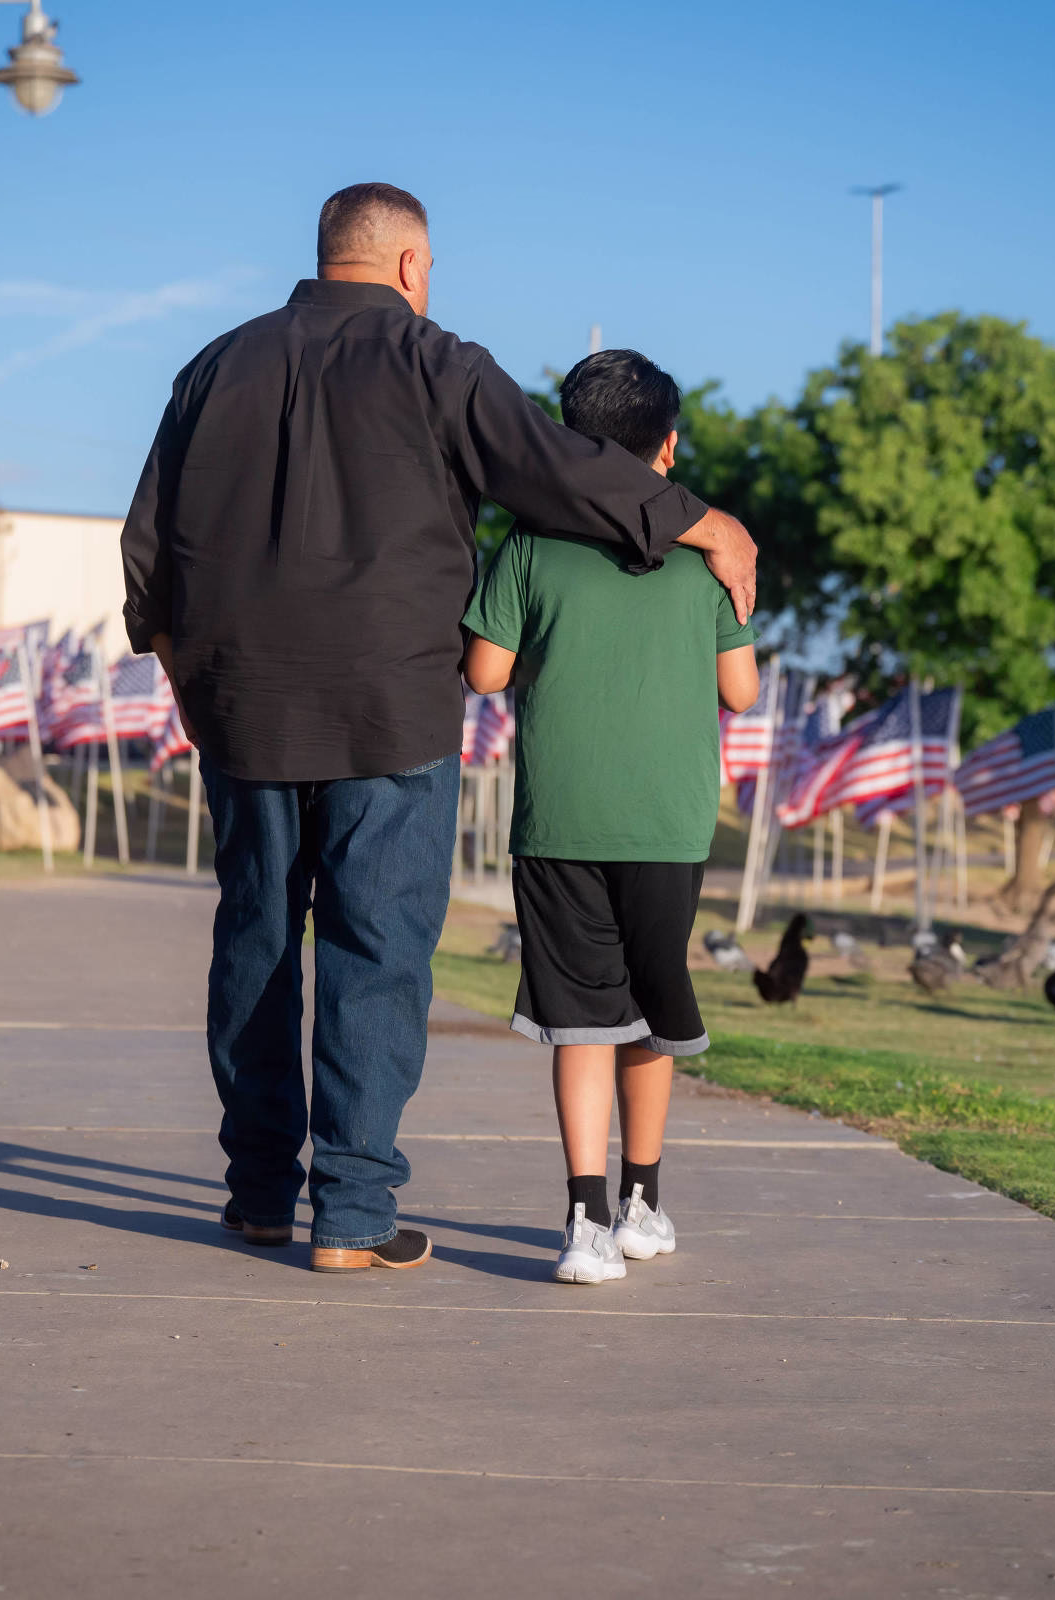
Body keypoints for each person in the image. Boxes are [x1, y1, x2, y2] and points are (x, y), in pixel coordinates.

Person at [120, 183, 756, 1273]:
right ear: (411, 266)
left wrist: (191, 682)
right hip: (391, 708)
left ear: (327, 256)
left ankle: (262, 1194)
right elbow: (554, 467)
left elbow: (149, 548)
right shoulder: (434, 361)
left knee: (258, 941)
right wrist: (699, 518)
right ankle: (355, 1216)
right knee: (377, 949)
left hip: (246, 709)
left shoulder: (215, 365)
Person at [461, 348, 759, 1285]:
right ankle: (643, 1205)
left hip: (559, 821)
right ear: (667, 448)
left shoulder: (530, 543)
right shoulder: (709, 554)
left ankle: (583, 1223)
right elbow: (741, 692)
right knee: (651, 1010)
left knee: (580, 1020)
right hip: (668, 826)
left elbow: (484, 674)